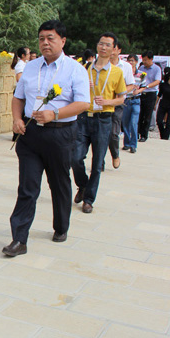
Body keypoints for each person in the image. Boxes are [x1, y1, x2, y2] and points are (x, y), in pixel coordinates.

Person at [2, 20, 90, 257]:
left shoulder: (75, 69)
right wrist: (16, 118)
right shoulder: (30, 67)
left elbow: (83, 103)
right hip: (31, 134)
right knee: (27, 187)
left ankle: (61, 226)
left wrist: (56, 113)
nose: (45, 43)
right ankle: (19, 239)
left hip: (60, 133)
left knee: (59, 183)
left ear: (63, 40)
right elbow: (18, 97)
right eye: (41, 38)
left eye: (50, 38)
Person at [72, 32, 126, 214]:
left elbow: (121, 99)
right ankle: (82, 185)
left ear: (113, 49)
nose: (103, 47)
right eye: (101, 44)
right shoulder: (85, 68)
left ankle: (89, 199)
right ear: (97, 46)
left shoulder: (117, 72)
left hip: (103, 119)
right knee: (75, 157)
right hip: (83, 117)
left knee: (97, 163)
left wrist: (108, 102)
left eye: (107, 45)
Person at [106, 42, 134, 168]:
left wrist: (120, 93)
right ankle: (99, 161)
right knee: (99, 134)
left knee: (113, 133)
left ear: (119, 51)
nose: (111, 51)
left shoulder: (126, 66)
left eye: (114, 48)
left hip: (117, 104)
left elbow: (131, 85)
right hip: (102, 104)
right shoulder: (101, 64)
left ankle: (115, 155)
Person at [136, 50, 162, 142]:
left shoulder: (157, 69)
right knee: (139, 114)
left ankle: (144, 135)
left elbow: (157, 81)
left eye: (146, 60)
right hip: (141, 93)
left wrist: (146, 86)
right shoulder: (142, 68)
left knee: (147, 116)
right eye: (143, 59)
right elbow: (140, 79)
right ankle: (137, 133)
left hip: (150, 94)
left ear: (151, 59)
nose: (144, 62)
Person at [122, 54, 142, 153]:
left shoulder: (141, 74)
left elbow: (145, 86)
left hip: (136, 100)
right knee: (125, 123)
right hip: (126, 99)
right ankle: (126, 143)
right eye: (129, 60)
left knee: (134, 122)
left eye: (132, 61)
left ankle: (133, 144)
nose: (130, 62)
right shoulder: (124, 73)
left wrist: (139, 90)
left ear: (136, 62)